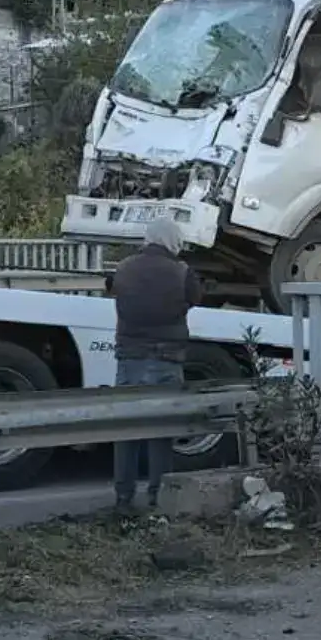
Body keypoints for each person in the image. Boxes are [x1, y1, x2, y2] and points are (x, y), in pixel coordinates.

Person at [106, 216, 202, 511]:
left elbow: (113, 289)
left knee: (127, 432)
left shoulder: (123, 268)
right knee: (162, 433)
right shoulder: (182, 272)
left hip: (129, 360)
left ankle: (123, 497)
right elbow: (195, 298)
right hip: (166, 360)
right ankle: (157, 496)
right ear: (172, 240)